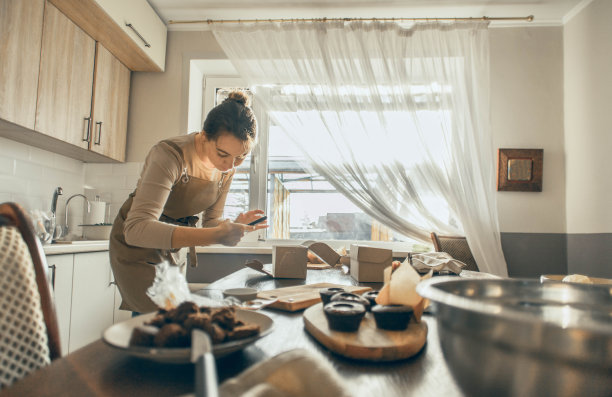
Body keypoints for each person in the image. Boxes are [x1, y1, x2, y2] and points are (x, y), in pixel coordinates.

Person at [109, 91, 267, 314]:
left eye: (240, 157)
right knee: (158, 316)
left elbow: (211, 223)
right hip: (138, 248)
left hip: (174, 247)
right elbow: (136, 229)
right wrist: (216, 235)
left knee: (175, 316)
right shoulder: (170, 155)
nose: (230, 165)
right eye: (222, 153)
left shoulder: (226, 169)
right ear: (204, 137)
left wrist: (230, 226)